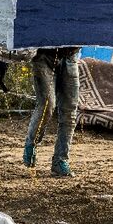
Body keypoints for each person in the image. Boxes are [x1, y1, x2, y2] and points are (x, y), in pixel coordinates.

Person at [22, 47, 81, 177]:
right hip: (43, 56)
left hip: (70, 56)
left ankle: (60, 160)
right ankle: (31, 145)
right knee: (47, 106)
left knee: (70, 112)